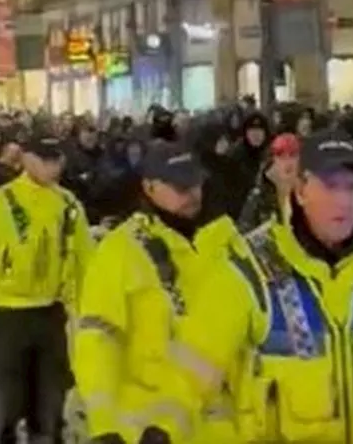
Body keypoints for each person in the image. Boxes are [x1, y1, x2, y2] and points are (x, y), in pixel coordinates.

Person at [141, 131, 353, 443]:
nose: (343, 201)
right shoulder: (251, 268)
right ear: (301, 188)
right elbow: (195, 364)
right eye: (330, 186)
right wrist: (160, 429)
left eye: (352, 188)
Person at [73, 141, 247, 443]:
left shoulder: (228, 243)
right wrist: (103, 425)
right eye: (180, 187)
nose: (192, 194)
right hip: (150, 431)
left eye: (195, 183)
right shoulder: (120, 252)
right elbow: (97, 341)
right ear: (149, 188)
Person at [0, 135, 94, 444]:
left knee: (50, 413)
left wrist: (89, 324)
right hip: (6, 320)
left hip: (52, 317)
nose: (53, 167)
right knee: (3, 412)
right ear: (26, 160)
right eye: (45, 159)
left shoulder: (68, 205)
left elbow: (88, 267)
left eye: (57, 159)